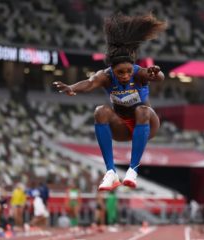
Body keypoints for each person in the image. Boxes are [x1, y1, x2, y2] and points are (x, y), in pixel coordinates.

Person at [53, 13, 167, 191]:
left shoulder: (138, 73)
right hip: (121, 126)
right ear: (112, 69)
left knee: (141, 111)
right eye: (120, 72)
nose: (125, 76)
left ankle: (132, 170)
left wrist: (156, 73)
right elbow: (89, 83)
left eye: (128, 71)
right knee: (100, 111)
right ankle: (111, 172)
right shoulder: (105, 76)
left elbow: (159, 77)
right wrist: (72, 87)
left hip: (146, 124)